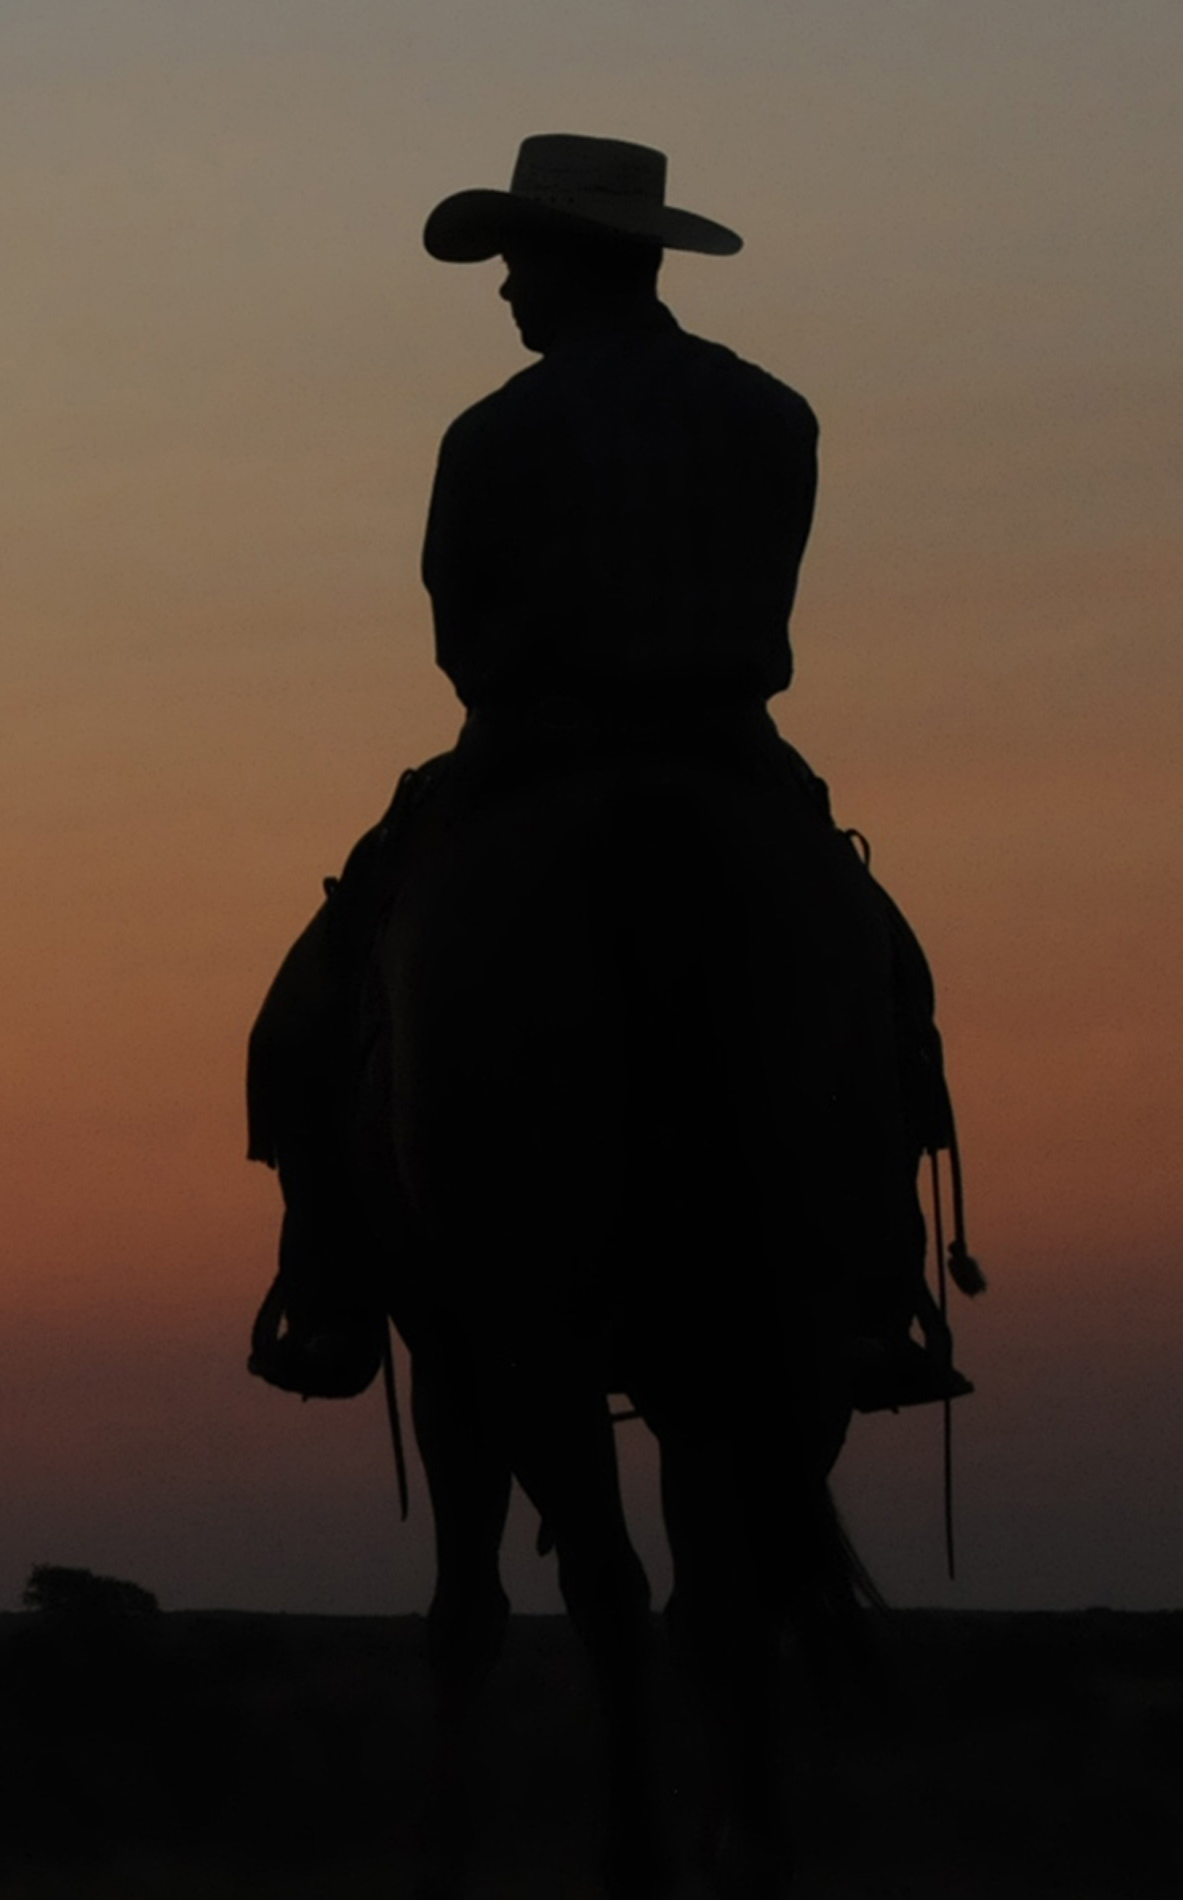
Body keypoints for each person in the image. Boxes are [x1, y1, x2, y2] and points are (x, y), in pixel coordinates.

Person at [244, 134, 968, 1408]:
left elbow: (457, 635)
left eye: (519, 260)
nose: (507, 289)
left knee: (312, 1004)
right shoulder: (773, 413)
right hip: (732, 754)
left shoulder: (491, 433)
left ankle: (334, 1293)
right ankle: (876, 1283)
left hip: (529, 755)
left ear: (571, 260)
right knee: (887, 982)